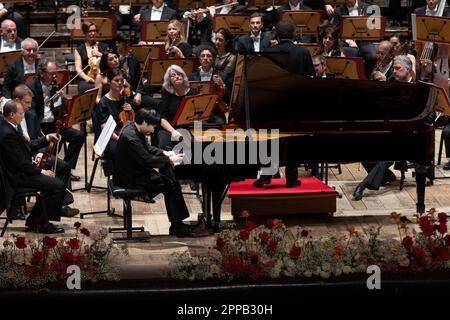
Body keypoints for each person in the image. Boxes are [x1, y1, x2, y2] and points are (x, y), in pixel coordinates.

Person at [113, 108, 201, 237]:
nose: (153, 130)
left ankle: (177, 225)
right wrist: (169, 159)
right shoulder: (131, 137)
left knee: (171, 183)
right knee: (172, 186)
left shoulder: (133, 127)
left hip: (134, 172)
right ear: (144, 122)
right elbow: (147, 160)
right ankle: (178, 227)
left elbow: (147, 148)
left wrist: (164, 152)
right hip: (131, 179)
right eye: (152, 126)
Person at [254, 20, 315, 188]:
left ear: (276, 34)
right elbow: (310, 78)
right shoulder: (302, 52)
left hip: (273, 102)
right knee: (293, 141)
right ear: (294, 33)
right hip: (296, 103)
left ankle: (266, 176)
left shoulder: (268, 51)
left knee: (270, 141)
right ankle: (291, 179)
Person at [12, 85, 79, 218]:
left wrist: (41, 153)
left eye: (30, 102)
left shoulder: (31, 116)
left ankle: (61, 204)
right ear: (16, 100)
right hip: (22, 159)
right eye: (26, 103)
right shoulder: (11, 117)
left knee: (63, 167)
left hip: (36, 153)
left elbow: (39, 138)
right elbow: (22, 146)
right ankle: (17, 207)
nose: (29, 106)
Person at [353, 55, 414, 201]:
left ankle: (363, 185)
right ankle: (386, 176)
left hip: (409, 136)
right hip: (388, 131)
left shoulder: (418, 88)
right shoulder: (391, 84)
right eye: (393, 68)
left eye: (397, 68)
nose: (394, 71)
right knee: (361, 149)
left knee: (386, 155)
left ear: (408, 70)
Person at [0, 100, 65, 233]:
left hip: (22, 172)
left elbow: (27, 146)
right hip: (17, 177)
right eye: (21, 113)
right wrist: (41, 172)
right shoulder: (7, 134)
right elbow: (20, 164)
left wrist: (47, 138)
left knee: (54, 184)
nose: (23, 115)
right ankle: (41, 223)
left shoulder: (10, 126)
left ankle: (36, 220)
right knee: (58, 186)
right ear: (11, 114)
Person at [26, 58, 85, 181]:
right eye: (51, 73)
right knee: (46, 151)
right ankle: (54, 170)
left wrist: (64, 99)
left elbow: (60, 110)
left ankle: (66, 168)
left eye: (55, 73)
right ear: (42, 73)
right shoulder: (31, 87)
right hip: (40, 127)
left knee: (78, 136)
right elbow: (31, 115)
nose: (54, 76)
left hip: (54, 125)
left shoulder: (55, 86)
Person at [93, 68, 134, 159]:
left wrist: (131, 110)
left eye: (121, 80)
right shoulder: (103, 102)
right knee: (119, 150)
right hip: (109, 136)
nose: (120, 83)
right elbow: (105, 128)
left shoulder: (124, 98)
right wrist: (119, 139)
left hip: (124, 132)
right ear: (109, 81)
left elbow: (132, 120)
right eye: (116, 80)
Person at [156, 64, 195, 150]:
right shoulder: (166, 93)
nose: (176, 77)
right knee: (164, 144)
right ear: (170, 81)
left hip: (186, 127)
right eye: (173, 76)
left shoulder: (193, 92)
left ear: (183, 76)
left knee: (187, 147)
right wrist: (173, 131)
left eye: (179, 74)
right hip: (168, 127)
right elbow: (162, 118)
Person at [74, 22, 109, 93]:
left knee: (107, 87)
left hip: (103, 78)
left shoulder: (104, 46)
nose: (93, 33)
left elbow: (110, 62)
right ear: (85, 33)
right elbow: (78, 68)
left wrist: (100, 54)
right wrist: (88, 79)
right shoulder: (79, 49)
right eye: (90, 31)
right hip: (87, 79)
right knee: (83, 88)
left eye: (94, 31)